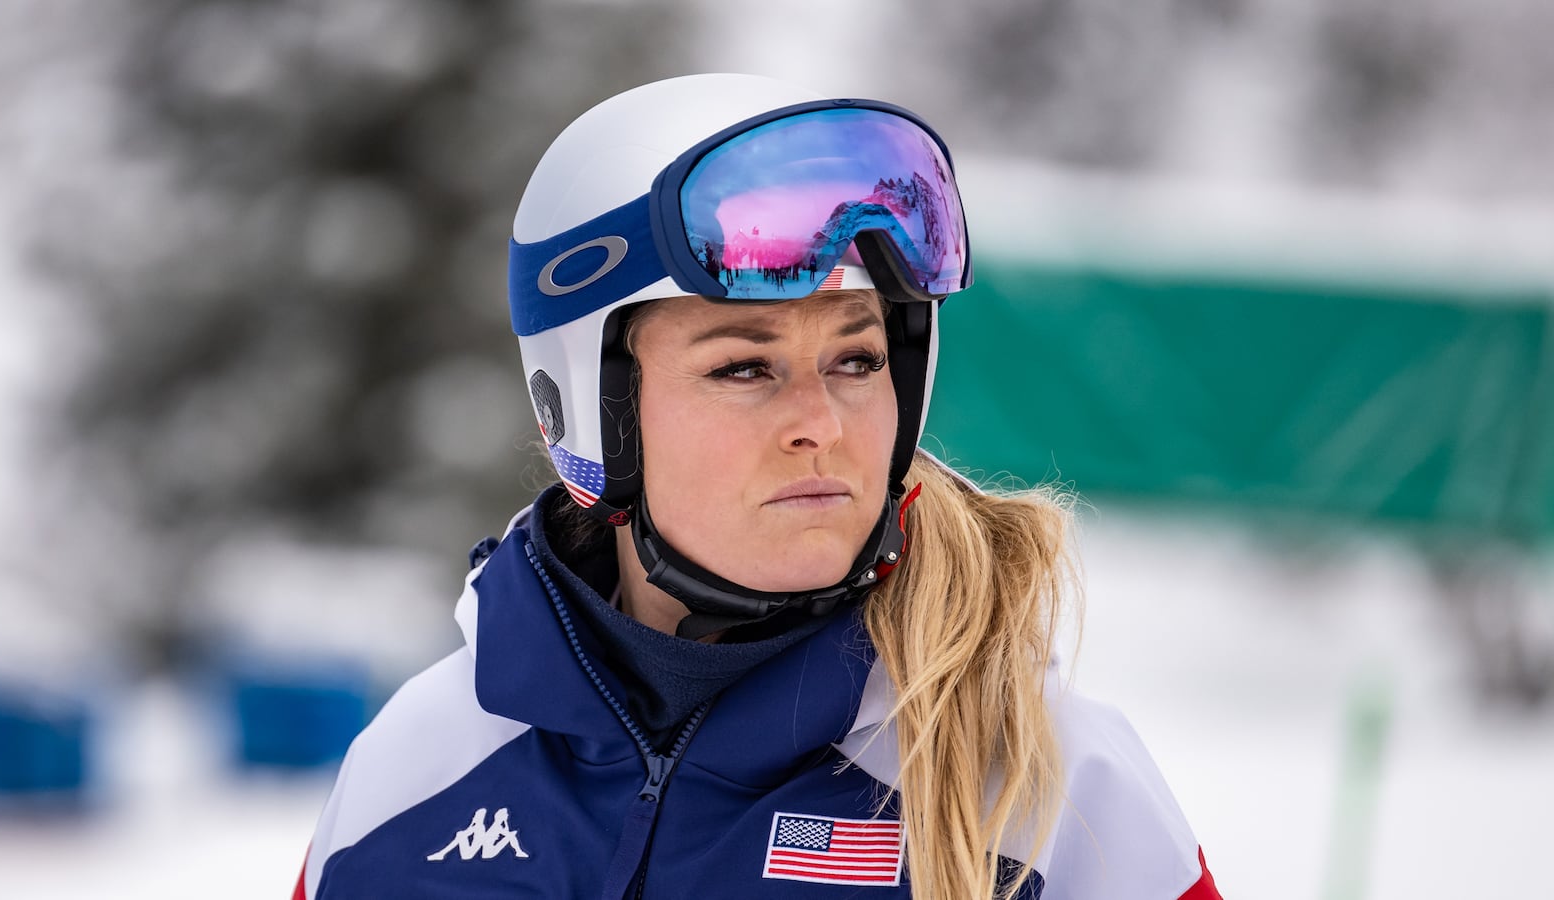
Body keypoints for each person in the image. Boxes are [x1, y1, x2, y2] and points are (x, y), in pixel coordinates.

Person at [293, 73, 1223, 900]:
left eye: (858, 359)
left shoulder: (1041, 789)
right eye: (745, 368)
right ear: (588, 406)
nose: (820, 421)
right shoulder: (419, 769)